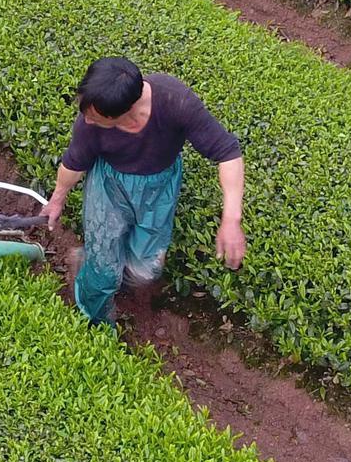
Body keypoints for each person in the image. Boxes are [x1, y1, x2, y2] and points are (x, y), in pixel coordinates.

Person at [38, 57, 246, 327]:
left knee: (146, 268)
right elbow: (73, 163)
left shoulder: (174, 101)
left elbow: (227, 153)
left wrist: (231, 220)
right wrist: (57, 200)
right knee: (103, 271)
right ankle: (95, 321)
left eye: (97, 117)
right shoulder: (88, 124)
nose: (87, 120)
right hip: (109, 186)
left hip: (158, 188)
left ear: (126, 111)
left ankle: (90, 263)